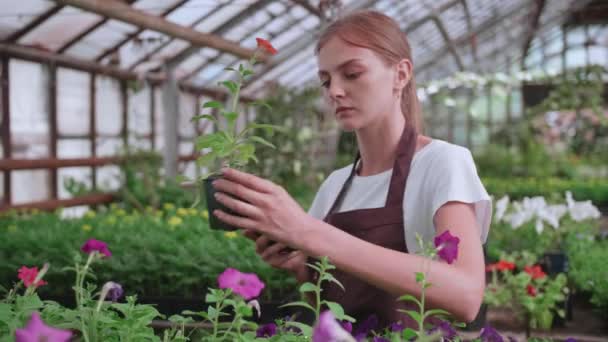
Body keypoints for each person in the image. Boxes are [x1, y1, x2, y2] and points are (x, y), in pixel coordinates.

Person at [210, 9, 492, 330]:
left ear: (401, 74)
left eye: (352, 74)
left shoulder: (441, 162)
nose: (335, 91)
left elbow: (467, 296)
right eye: (326, 81)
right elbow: (325, 311)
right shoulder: (335, 185)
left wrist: (307, 231)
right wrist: (302, 268)